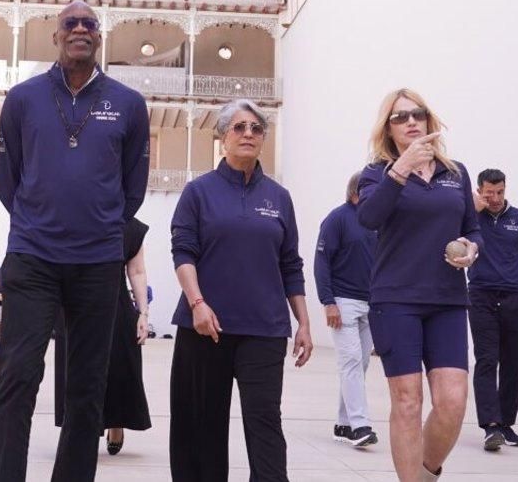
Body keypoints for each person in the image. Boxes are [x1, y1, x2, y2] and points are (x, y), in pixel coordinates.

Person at [0, 0, 150, 482]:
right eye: (70, 24)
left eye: (90, 24)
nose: (81, 29)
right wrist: (41, 220)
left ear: (99, 37)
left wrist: (98, 225)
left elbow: (133, 187)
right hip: (33, 258)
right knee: (17, 377)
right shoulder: (23, 98)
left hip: (98, 263)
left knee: (87, 388)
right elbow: (8, 180)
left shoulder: (128, 104)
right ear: (56, 37)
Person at [170, 99, 312, 481]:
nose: (248, 133)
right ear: (222, 137)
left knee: (265, 422)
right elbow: (183, 252)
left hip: (264, 330)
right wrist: (197, 303)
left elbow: (290, 264)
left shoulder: (279, 198)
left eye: (256, 128)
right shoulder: (198, 192)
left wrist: (303, 323)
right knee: (201, 426)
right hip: (205, 329)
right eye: (239, 127)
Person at [355, 89, 481, 482]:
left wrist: (472, 249)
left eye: (418, 114)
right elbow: (369, 218)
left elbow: (473, 228)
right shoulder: (376, 174)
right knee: (408, 403)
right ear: (388, 130)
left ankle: (424, 474)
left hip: (446, 300)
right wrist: (401, 170)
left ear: (429, 121)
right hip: (396, 301)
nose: (411, 121)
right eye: (400, 117)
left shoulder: (455, 173)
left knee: (453, 403)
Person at [52, 215, 153, 456]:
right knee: (75, 370)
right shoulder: (72, 214)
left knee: (118, 368)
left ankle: (116, 421)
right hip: (74, 304)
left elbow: (137, 271)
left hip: (115, 303)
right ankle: (77, 432)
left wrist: (143, 314)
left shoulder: (130, 226)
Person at [468, 168, 518, 451]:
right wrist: (470, 209)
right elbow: (449, 240)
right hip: (480, 297)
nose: (496, 198)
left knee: (513, 363)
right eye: (489, 193)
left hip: (516, 299)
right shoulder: (469, 217)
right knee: (487, 360)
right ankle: (490, 426)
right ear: (479, 190)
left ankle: (506, 424)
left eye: (500, 192)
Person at [314, 171, 378, 449]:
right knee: (351, 361)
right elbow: (321, 262)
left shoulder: (379, 222)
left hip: (373, 304)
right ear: (356, 193)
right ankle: (360, 425)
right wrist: (328, 302)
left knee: (360, 364)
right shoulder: (337, 219)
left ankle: (343, 423)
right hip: (343, 302)